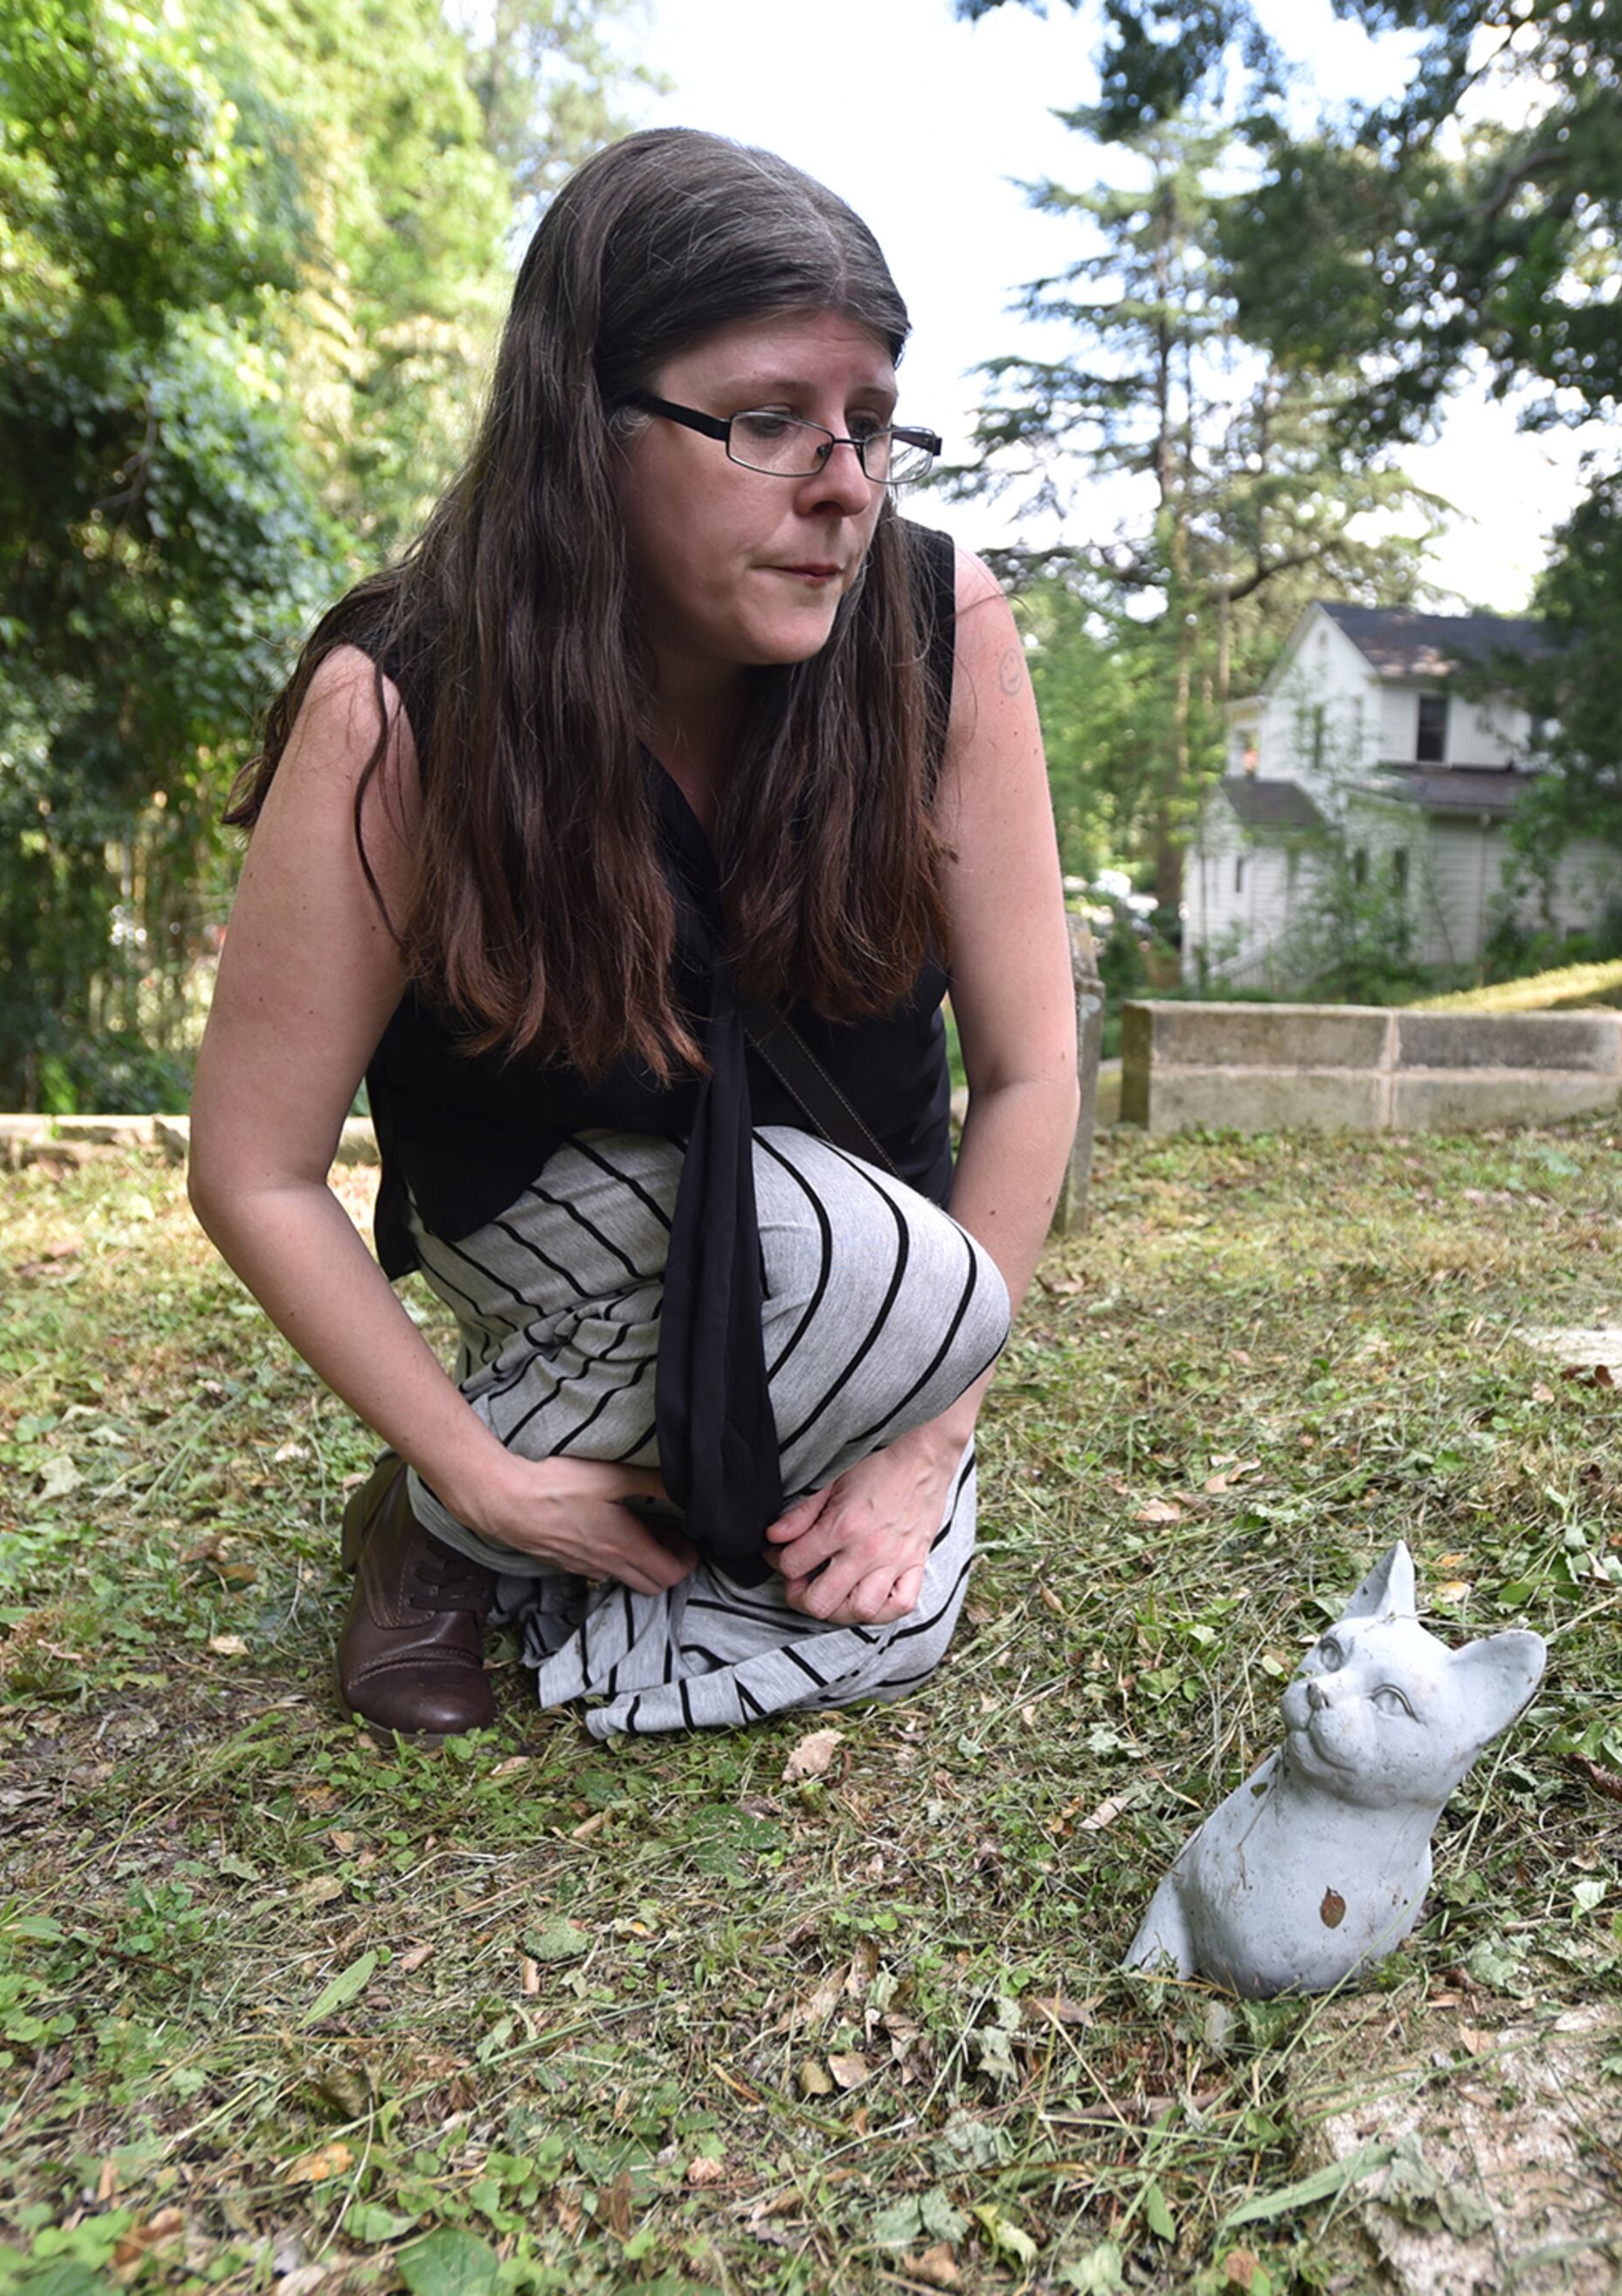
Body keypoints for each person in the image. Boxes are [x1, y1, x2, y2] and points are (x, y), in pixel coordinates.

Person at [187, 131, 1078, 1741]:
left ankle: (695, 1479)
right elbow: (252, 1169)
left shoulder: (947, 628)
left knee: (870, 1624)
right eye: (765, 424)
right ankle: (440, 1528)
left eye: (873, 429)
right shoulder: (400, 707)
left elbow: (1031, 1073)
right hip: (560, 1227)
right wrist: (480, 1480)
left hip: (888, 1262)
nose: (844, 490)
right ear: (587, 427)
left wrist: (923, 1439)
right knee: (813, 1268)